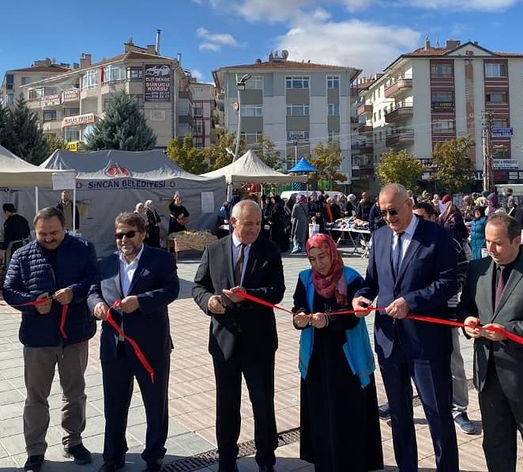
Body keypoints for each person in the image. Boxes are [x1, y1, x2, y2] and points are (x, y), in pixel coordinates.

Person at [353, 183, 459, 472]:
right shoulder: (380, 236)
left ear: (409, 204)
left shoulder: (436, 236)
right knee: (399, 416)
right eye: (383, 212)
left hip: (426, 345)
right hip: (389, 342)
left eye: (393, 211)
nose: (388, 217)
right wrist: (361, 296)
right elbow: (372, 280)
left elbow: (450, 281)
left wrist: (411, 302)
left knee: (437, 415)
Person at [459, 213, 523, 472]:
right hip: (489, 375)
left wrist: (509, 331)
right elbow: (465, 307)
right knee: (495, 444)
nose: (490, 248)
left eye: (497, 243)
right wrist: (468, 321)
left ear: (517, 241)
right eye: (487, 242)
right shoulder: (477, 269)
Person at [192, 199, 285, 472]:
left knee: (263, 403)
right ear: (233, 223)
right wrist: (208, 302)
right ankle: (227, 461)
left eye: (258, 223)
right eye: (249, 224)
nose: (255, 228)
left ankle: (266, 459)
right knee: (227, 404)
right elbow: (199, 286)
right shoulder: (213, 250)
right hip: (225, 341)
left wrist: (248, 295)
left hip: (259, 342)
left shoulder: (269, 250)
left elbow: (277, 290)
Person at [3, 207, 97, 472]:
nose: (48, 238)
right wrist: (33, 304)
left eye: (54, 232)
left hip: (74, 334)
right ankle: (35, 450)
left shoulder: (82, 248)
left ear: (65, 227)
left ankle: (74, 440)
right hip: (37, 338)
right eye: (42, 233)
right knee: (36, 397)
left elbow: (93, 279)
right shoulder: (23, 254)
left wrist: (75, 293)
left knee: (75, 393)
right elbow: (9, 290)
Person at [87, 212, 178, 472]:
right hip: (114, 345)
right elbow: (93, 292)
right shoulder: (104, 262)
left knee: (154, 403)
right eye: (119, 235)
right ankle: (113, 456)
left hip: (150, 345)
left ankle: (153, 456)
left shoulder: (160, 259)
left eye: (129, 233)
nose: (123, 239)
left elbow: (170, 290)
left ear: (142, 234)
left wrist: (141, 301)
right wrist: (96, 306)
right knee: (114, 404)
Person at [292, 233, 383, 471]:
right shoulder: (305, 279)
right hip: (316, 357)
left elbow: (354, 316)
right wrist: (300, 317)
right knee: (321, 414)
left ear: (332, 252)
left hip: (347, 358)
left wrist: (328, 322)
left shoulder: (351, 278)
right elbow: (298, 305)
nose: (318, 263)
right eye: (312, 259)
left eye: (322, 256)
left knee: (349, 414)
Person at [414, 201, 477, 436]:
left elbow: (465, 272)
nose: (418, 222)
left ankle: (459, 409)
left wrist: (439, 293)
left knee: (453, 363)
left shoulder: (452, 241)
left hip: (446, 310)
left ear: (433, 216)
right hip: (417, 312)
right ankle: (428, 405)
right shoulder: (412, 241)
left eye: (422, 217)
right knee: (418, 362)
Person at [1, 202, 31, 267]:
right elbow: (28, 233)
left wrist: (3, 249)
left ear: (6, 211)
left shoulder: (9, 222)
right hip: (26, 244)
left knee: (14, 265)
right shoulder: (23, 219)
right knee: (25, 264)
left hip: (16, 246)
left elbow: (7, 237)